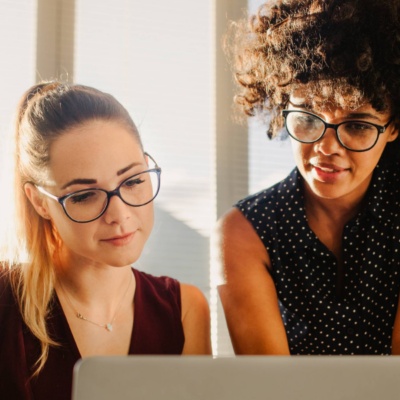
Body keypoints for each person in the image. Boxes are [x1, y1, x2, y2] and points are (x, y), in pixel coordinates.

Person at [0, 81, 211, 399]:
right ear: (40, 202)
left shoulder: (184, 310)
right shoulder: (5, 301)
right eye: (85, 195)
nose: (120, 214)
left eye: (134, 180)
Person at [217, 0, 400, 355]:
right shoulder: (246, 232)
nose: (326, 147)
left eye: (357, 125)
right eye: (307, 117)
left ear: (393, 127)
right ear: (282, 106)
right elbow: (270, 388)